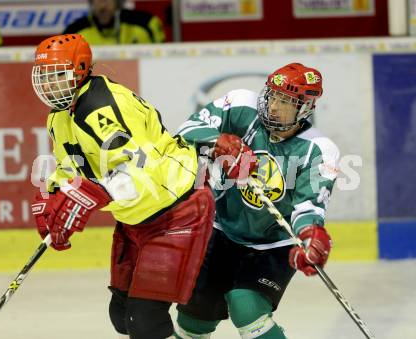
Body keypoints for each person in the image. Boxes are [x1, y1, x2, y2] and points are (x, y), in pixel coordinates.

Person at [29, 34, 215, 339]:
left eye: (58, 75)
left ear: (80, 69)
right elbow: (70, 166)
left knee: (144, 322)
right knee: (121, 317)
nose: (50, 85)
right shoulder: (59, 116)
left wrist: (94, 194)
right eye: (44, 77)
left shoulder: (102, 108)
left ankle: (204, 284)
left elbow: (141, 170)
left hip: (175, 208)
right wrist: (52, 195)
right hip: (136, 217)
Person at [175, 63, 340, 338]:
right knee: (193, 315)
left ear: (305, 108)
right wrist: (217, 141)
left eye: (285, 102)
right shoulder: (241, 105)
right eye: (272, 96)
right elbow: (186, 130)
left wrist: (311, 235)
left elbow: (308, 206)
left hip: (273, 243)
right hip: (222, 229)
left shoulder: (319, 150)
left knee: (247, 307)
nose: (274, 106)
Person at [63, 0, 165, 45]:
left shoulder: (146, 24)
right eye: (98, 0)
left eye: (107, 0)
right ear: (91, 2)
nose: (102, 6)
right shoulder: (74, 32)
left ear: (118, 2)